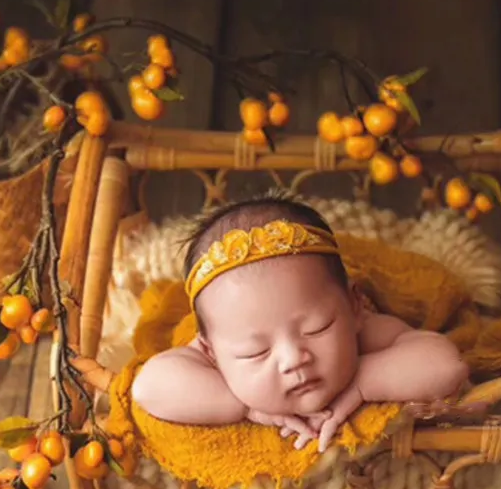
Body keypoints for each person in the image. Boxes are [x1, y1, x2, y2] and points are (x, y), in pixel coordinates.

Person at [131, 193, 470, 453]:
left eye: (317, 328)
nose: (293, 359)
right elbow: (148, 387)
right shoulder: (215, 350)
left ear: (353, 307)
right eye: (256, 352)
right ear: (212, 353)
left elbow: (446, 366)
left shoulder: (366, 331)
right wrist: (244, 406)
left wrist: (364, 382)